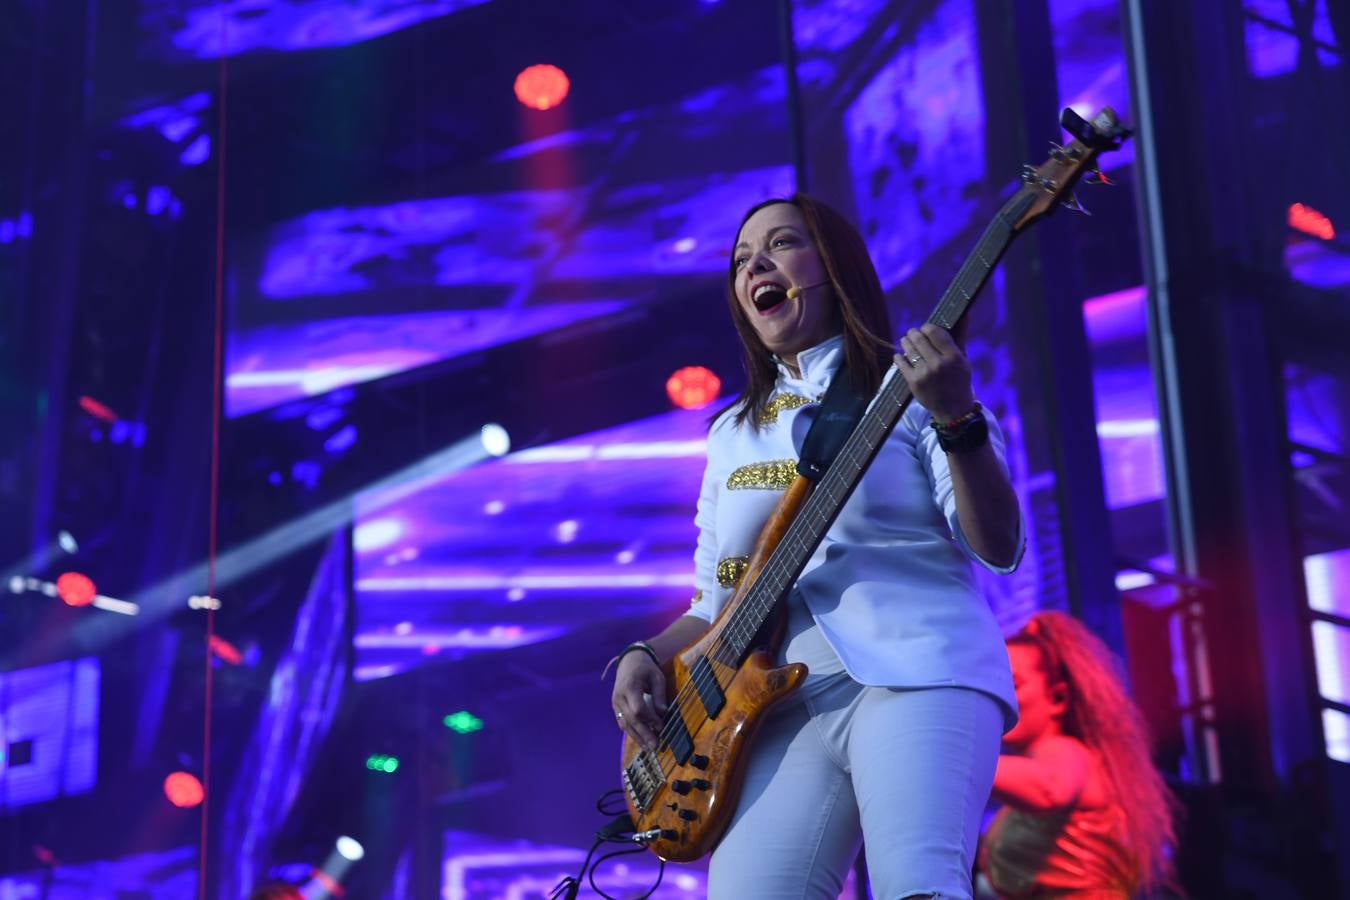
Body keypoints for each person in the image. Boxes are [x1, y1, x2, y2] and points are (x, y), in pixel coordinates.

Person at [608, 193, 1025, 899]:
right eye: (741, 260)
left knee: (917, 887)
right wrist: (644, 654)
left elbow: (999, 545)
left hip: (915, 675)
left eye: (781, 245)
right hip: (774, 710)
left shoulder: (907, 387)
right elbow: (713, 606)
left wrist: (956, 416)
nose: (755, 266)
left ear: (835, 268)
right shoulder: (729, 434)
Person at [978, 611, 1178, 898]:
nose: (1001, 698)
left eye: (1014, 685)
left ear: (1057, 698)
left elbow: (1050, 788)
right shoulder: (1031, 777)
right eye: (994, 686)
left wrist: (955, 760)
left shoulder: (1067, 752)